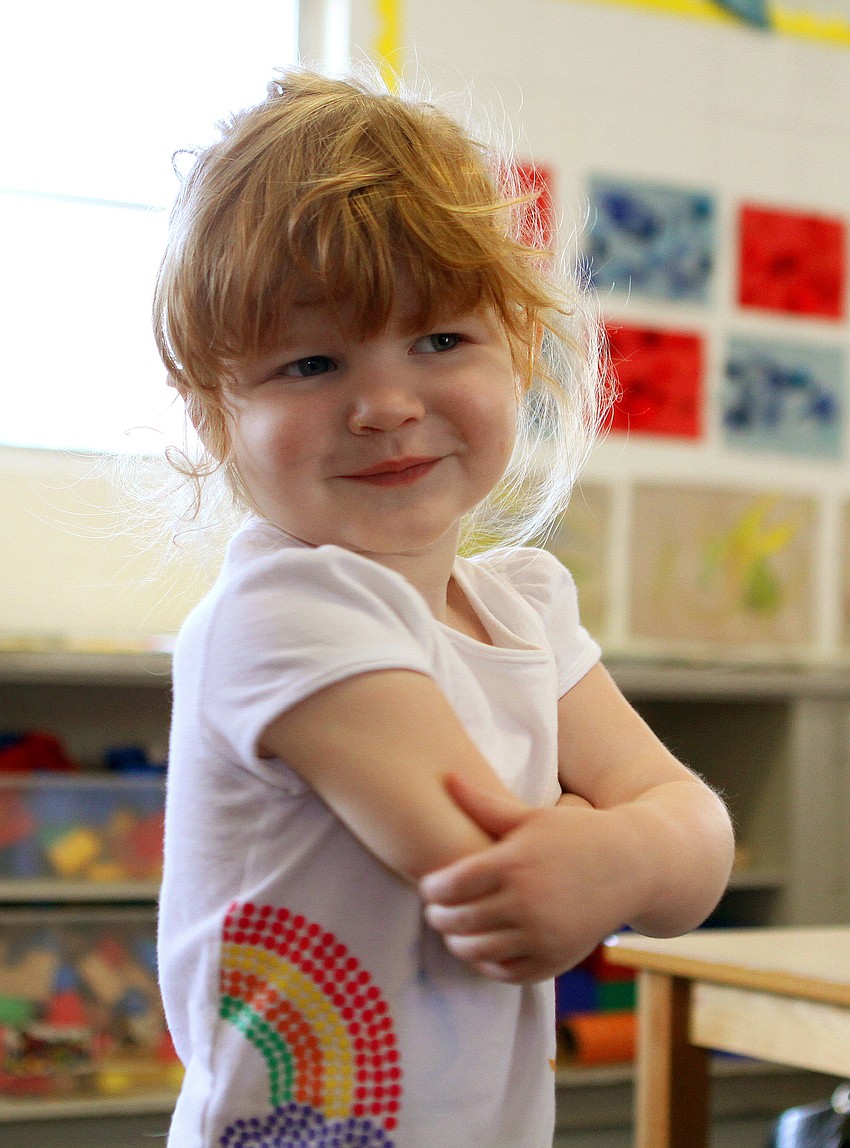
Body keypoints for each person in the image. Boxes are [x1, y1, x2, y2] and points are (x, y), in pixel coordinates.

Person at [154, 68, 734, 1148]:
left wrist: (617, 852)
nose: (383, 403)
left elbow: (699, 834)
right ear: (216, 413)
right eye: (312, 361)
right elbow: (486, 881)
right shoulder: (279, 608)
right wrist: (616, 837)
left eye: (438, 342)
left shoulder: (523, 605)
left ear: (516, 348)